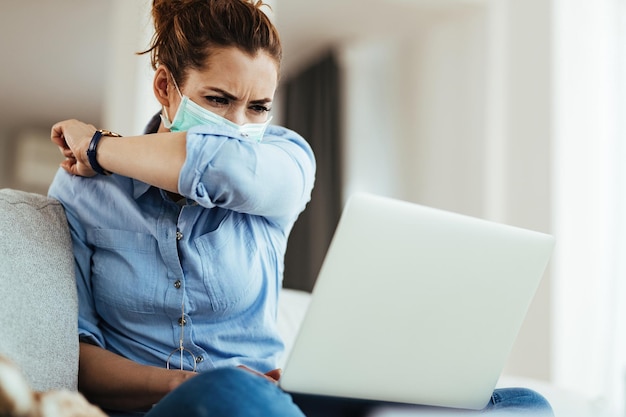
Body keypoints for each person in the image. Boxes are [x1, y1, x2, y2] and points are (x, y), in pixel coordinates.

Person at [48, 1, 553, 416]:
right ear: (165, 88)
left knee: (523, 403)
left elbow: (224, 166)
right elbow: (77, 358)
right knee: (225, 391)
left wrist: (100, 148)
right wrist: (186, 382)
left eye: (259, 107)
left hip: (272, 400)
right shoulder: (84, 192)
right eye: (218, 99)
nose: (239, 124)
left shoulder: (282, 161)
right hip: (171, 405)